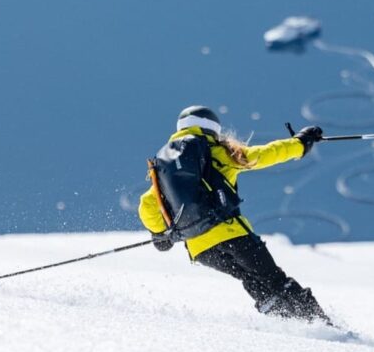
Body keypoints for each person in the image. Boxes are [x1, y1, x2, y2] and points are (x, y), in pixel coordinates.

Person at [138, 105, 330, 323]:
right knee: (274, 279)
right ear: (212, 127)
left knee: (250, 277)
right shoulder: (217, 152)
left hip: (201, 248)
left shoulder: (166, 166)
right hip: (232, 235)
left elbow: (146, 204)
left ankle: (289, 325)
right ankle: (321, 325)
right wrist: (300, 144)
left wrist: (159, 234)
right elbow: (265, 154)